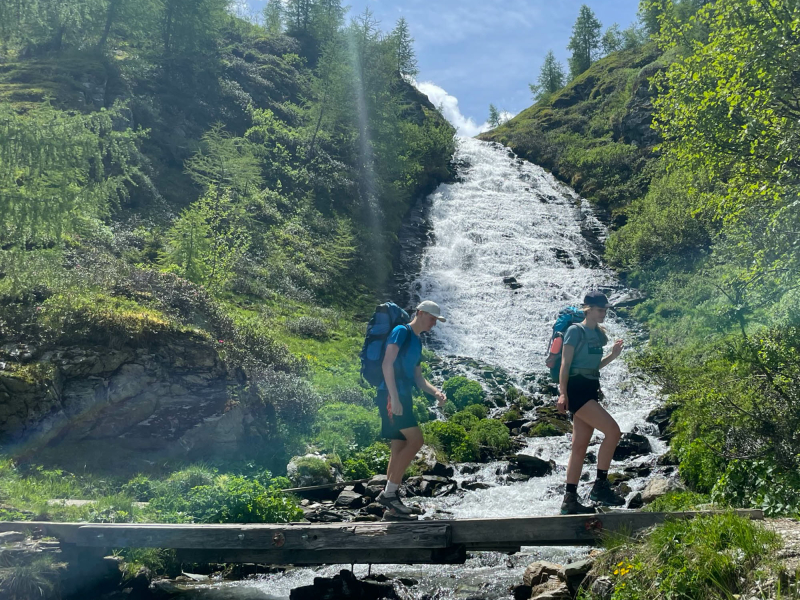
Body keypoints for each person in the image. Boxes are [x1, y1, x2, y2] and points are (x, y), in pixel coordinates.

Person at [375, 300, 447, 518]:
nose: (434, 323)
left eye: (436, 320)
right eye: (432, 318)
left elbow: (418, 378)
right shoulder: (401, 331)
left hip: (403, 395)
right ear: (420, 313)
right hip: (391, 395)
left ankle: (391, 507)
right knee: (416, 441)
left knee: (398, 446)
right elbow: (387, 364)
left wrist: (435, 392)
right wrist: (394, 398)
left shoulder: (417, 341)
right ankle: (389, 494)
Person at [557, 291, 626, 515]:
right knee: (614, 432)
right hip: (576, 390)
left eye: (605, 309)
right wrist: (562, 393)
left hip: (590, 388)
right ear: (588, 309)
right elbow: (565, 365)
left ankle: (569, 501)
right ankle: (600, 487)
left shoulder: (598, 335)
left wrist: (613, 355)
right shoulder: (574, 331)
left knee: (579, 447)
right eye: (599, 309)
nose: (603, 313)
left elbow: (593, 367)